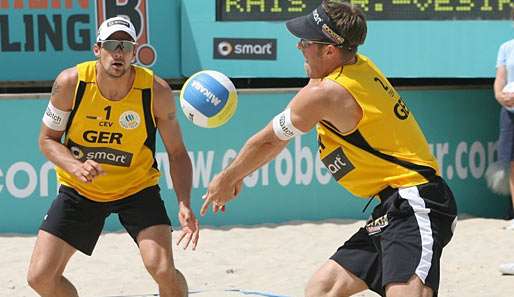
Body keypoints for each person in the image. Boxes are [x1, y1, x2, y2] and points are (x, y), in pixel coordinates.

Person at [200, 1, 457, 296]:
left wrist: (227, 178)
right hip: (391, 206)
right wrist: (238, 176)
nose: (299, 47)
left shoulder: (327, 93)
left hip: (417, 200)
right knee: (322, 289)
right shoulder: (356, 67)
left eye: (306, 42)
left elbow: (269, 140)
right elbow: (276, 139)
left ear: (330, 51)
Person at [27, 16, 198, 297]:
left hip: (136, 188)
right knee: (40, 278)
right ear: (97, 49)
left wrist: (184, 203)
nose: (118, 52)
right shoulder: (71, 83)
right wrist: (75, 166)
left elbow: (177, 153)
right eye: (111, 44)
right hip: (80, 188)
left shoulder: (156, 91)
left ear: (134, 53)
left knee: (163, 270)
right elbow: (46, 140)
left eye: (125, 46)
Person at [494, 7, 514, 275]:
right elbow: (499, 82)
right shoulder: (506, 48)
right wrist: (501, 96)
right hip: (509, 114)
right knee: (511, 164)